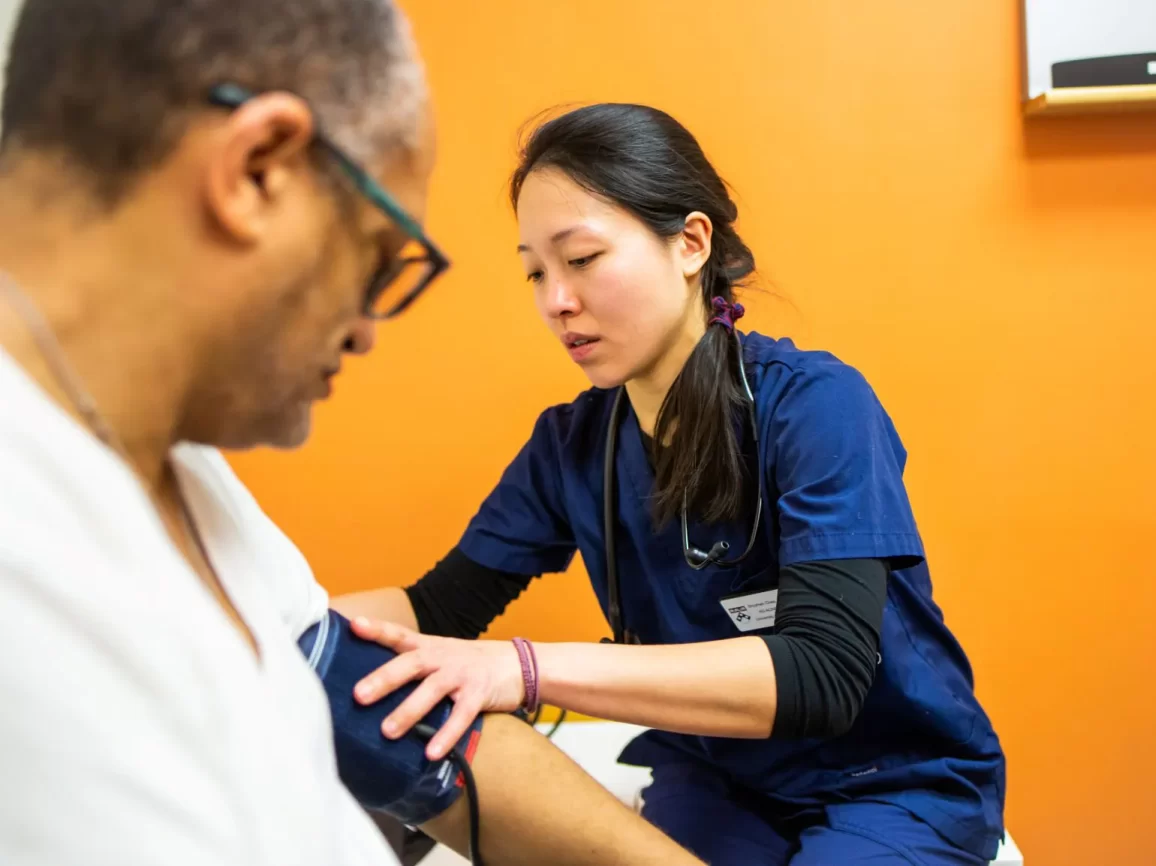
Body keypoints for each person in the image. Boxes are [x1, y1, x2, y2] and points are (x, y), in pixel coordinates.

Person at [0, 3, 704, 865]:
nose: (370, 329)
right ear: (257, 170)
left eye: (583, 260)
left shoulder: (174, 464)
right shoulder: (30, 567)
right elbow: (442, 610)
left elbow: (367, 691)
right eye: (378, 258)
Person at [334, 103, 1008, 866]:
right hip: (718, 778)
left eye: (581, 258)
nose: (556, 300)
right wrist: (283, 628)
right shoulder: (573, 445)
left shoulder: (816, 406)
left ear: (691, 243)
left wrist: (521, 667)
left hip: (888, 778)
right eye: (534, 271)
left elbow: (822, 674)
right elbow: (438, 606)